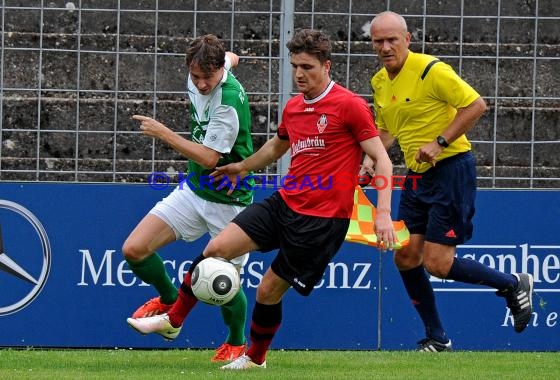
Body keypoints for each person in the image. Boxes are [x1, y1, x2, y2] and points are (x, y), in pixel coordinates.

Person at [127, 28, 396, 370]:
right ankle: (174, 319)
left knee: (267, 291)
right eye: (295, 65)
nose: (299, 74)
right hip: (283, 203)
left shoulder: (349, 106)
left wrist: (383, 213)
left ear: (327, 67)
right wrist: (241, 166)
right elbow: (275, 147)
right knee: (215, 250)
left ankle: (255, 358)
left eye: (308, 67)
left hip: (323, 221)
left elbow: (382, 159)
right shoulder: (295, 106)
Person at [363, 11, 534, 352]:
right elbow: (386, 132)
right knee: (406, 256)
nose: (384, 47)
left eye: (391, 40)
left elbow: (476, 105)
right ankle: (438, 337)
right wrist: (369, 160)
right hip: (417, 176)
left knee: (437, 264)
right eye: (377, 41)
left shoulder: (431, 70)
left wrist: (439, 143)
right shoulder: (379, 82)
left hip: (451, 169)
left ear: (407, 40)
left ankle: (513, 283)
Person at [123, 34, 255, 362]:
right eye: (195, 76)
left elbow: (210, 158)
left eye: (207, 78)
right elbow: (231, 57)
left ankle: (237, 340)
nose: (200, 83)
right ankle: (169, 300)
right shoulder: (206, 66)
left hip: (229, 201)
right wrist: (228, 59)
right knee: (134, 250)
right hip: (194, 190)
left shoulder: (228, 100)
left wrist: (163, 133)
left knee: (222, 282)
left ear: (218, 73)